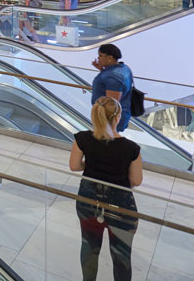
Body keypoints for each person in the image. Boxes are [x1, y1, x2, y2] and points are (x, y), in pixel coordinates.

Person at [69, 96, 143, 281]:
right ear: (118, 117)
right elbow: (136, 179)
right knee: (121, 257)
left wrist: (92, 164)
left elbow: (74, 166)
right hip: (121, 208)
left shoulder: (82, 139)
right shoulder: (131, 148)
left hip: (88, 203)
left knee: (89, 248)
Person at [90, 44, 133, 133]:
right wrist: (103, 70)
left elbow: (111, 105)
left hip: (108, 120)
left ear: (109, 58)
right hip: (117, 116)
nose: (98, 59)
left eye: (100, 56)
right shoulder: (123, 68)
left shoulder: (113, 77)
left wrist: (102, 122)